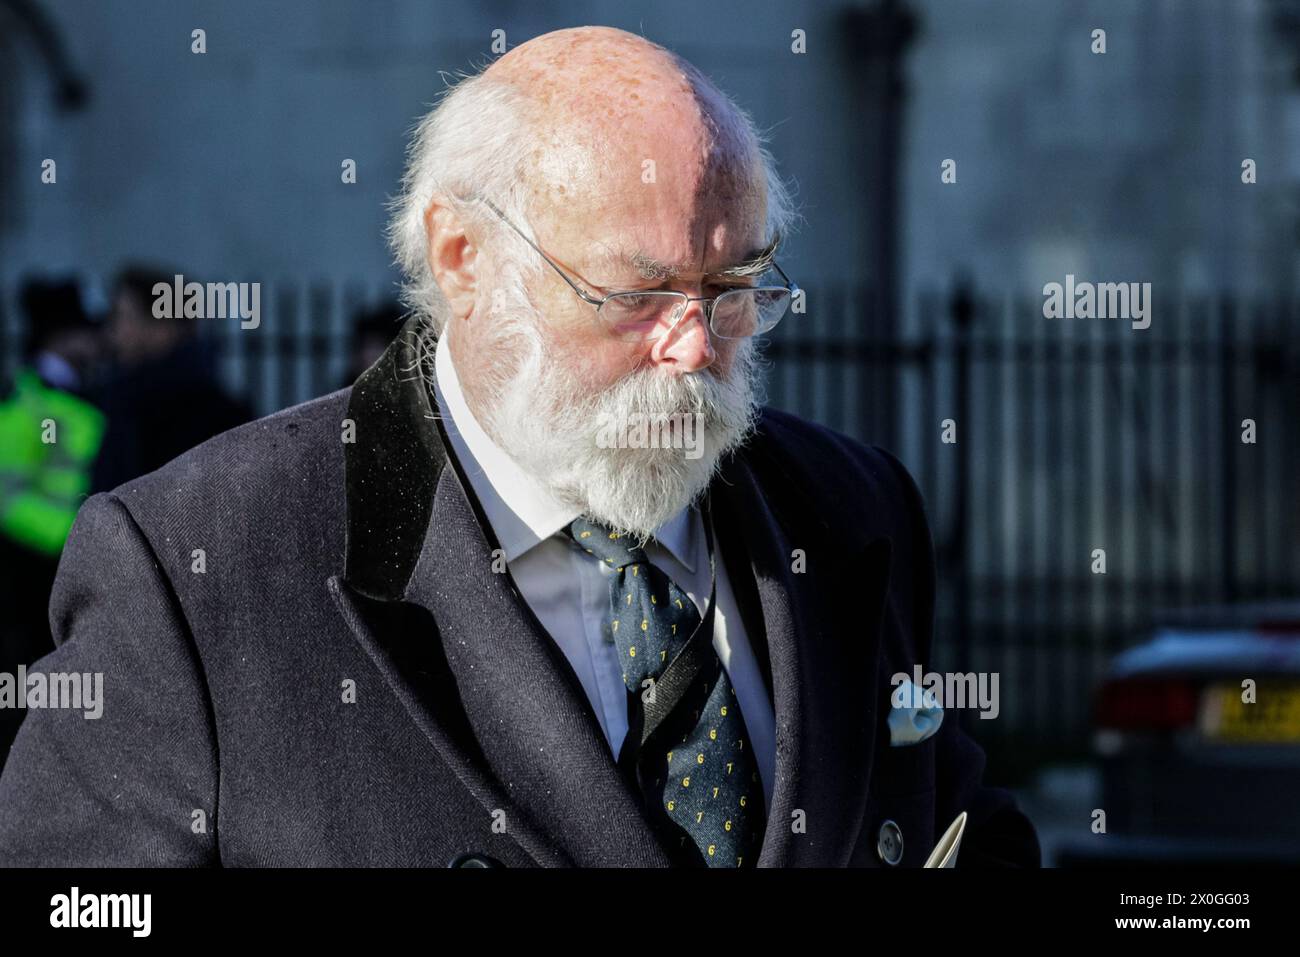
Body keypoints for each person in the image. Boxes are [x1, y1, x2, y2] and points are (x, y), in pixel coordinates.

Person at [0, 27, 1039, 867]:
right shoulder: (201, 566)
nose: (691, 347)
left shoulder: (849, 510)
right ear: (462, 256)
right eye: (633, 293)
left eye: (731, 288)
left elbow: (955, 824)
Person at [0, 279, 105, 768]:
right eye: (86, 330)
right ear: (60, 337)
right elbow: (8, 497)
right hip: (31, 570)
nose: (98, 340)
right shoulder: (29, 401)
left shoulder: (75, 392)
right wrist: (74, 532)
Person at [88, 265, 253, 493]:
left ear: (164, 328)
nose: (113, 332)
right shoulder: (221, 406)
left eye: (124, 317)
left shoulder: (136, 403)